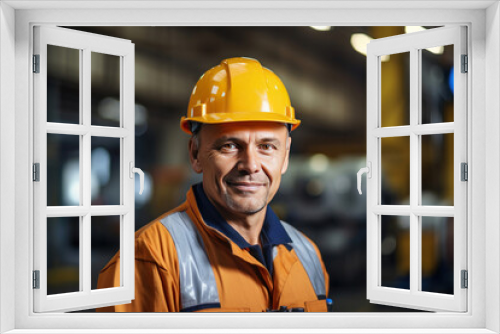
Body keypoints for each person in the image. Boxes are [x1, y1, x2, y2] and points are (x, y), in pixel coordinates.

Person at [97, 57, 329, 312]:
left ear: (284, 156)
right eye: (229, 146)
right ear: (196, 154)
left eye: (266, 147)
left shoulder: (308, 256)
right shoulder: (148, 259)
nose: (250, 165)